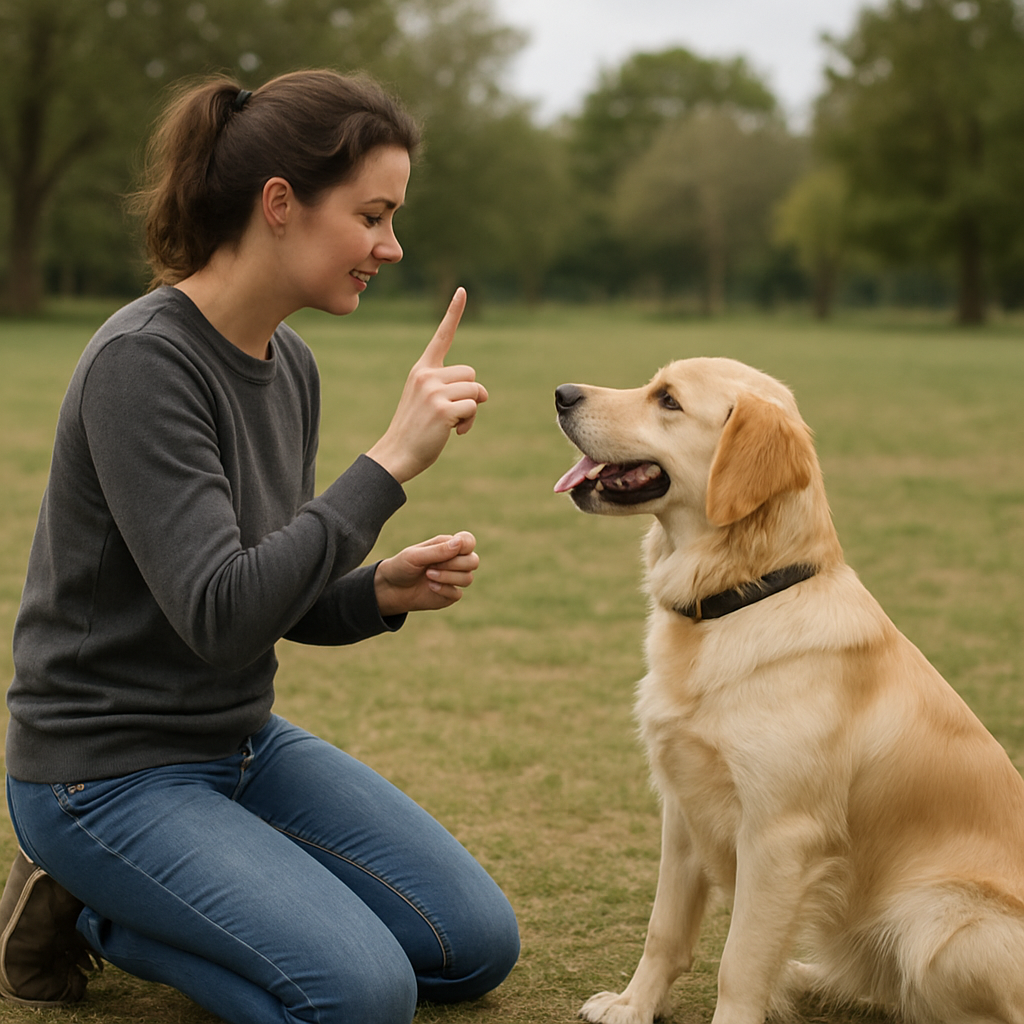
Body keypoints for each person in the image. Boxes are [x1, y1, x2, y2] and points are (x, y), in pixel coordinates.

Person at [0, 69, 519, 1024]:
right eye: (372, 215)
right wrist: (388, 466)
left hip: (236, 745)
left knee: (473, 946)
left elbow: (263, 594)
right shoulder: (141, 364)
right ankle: (88, 907)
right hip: (102, 774)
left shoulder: (292, 367)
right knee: (363, 999)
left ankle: (159, 899)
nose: (390, 247)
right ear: (280, 204)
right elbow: (222, 615)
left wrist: (375, 594)